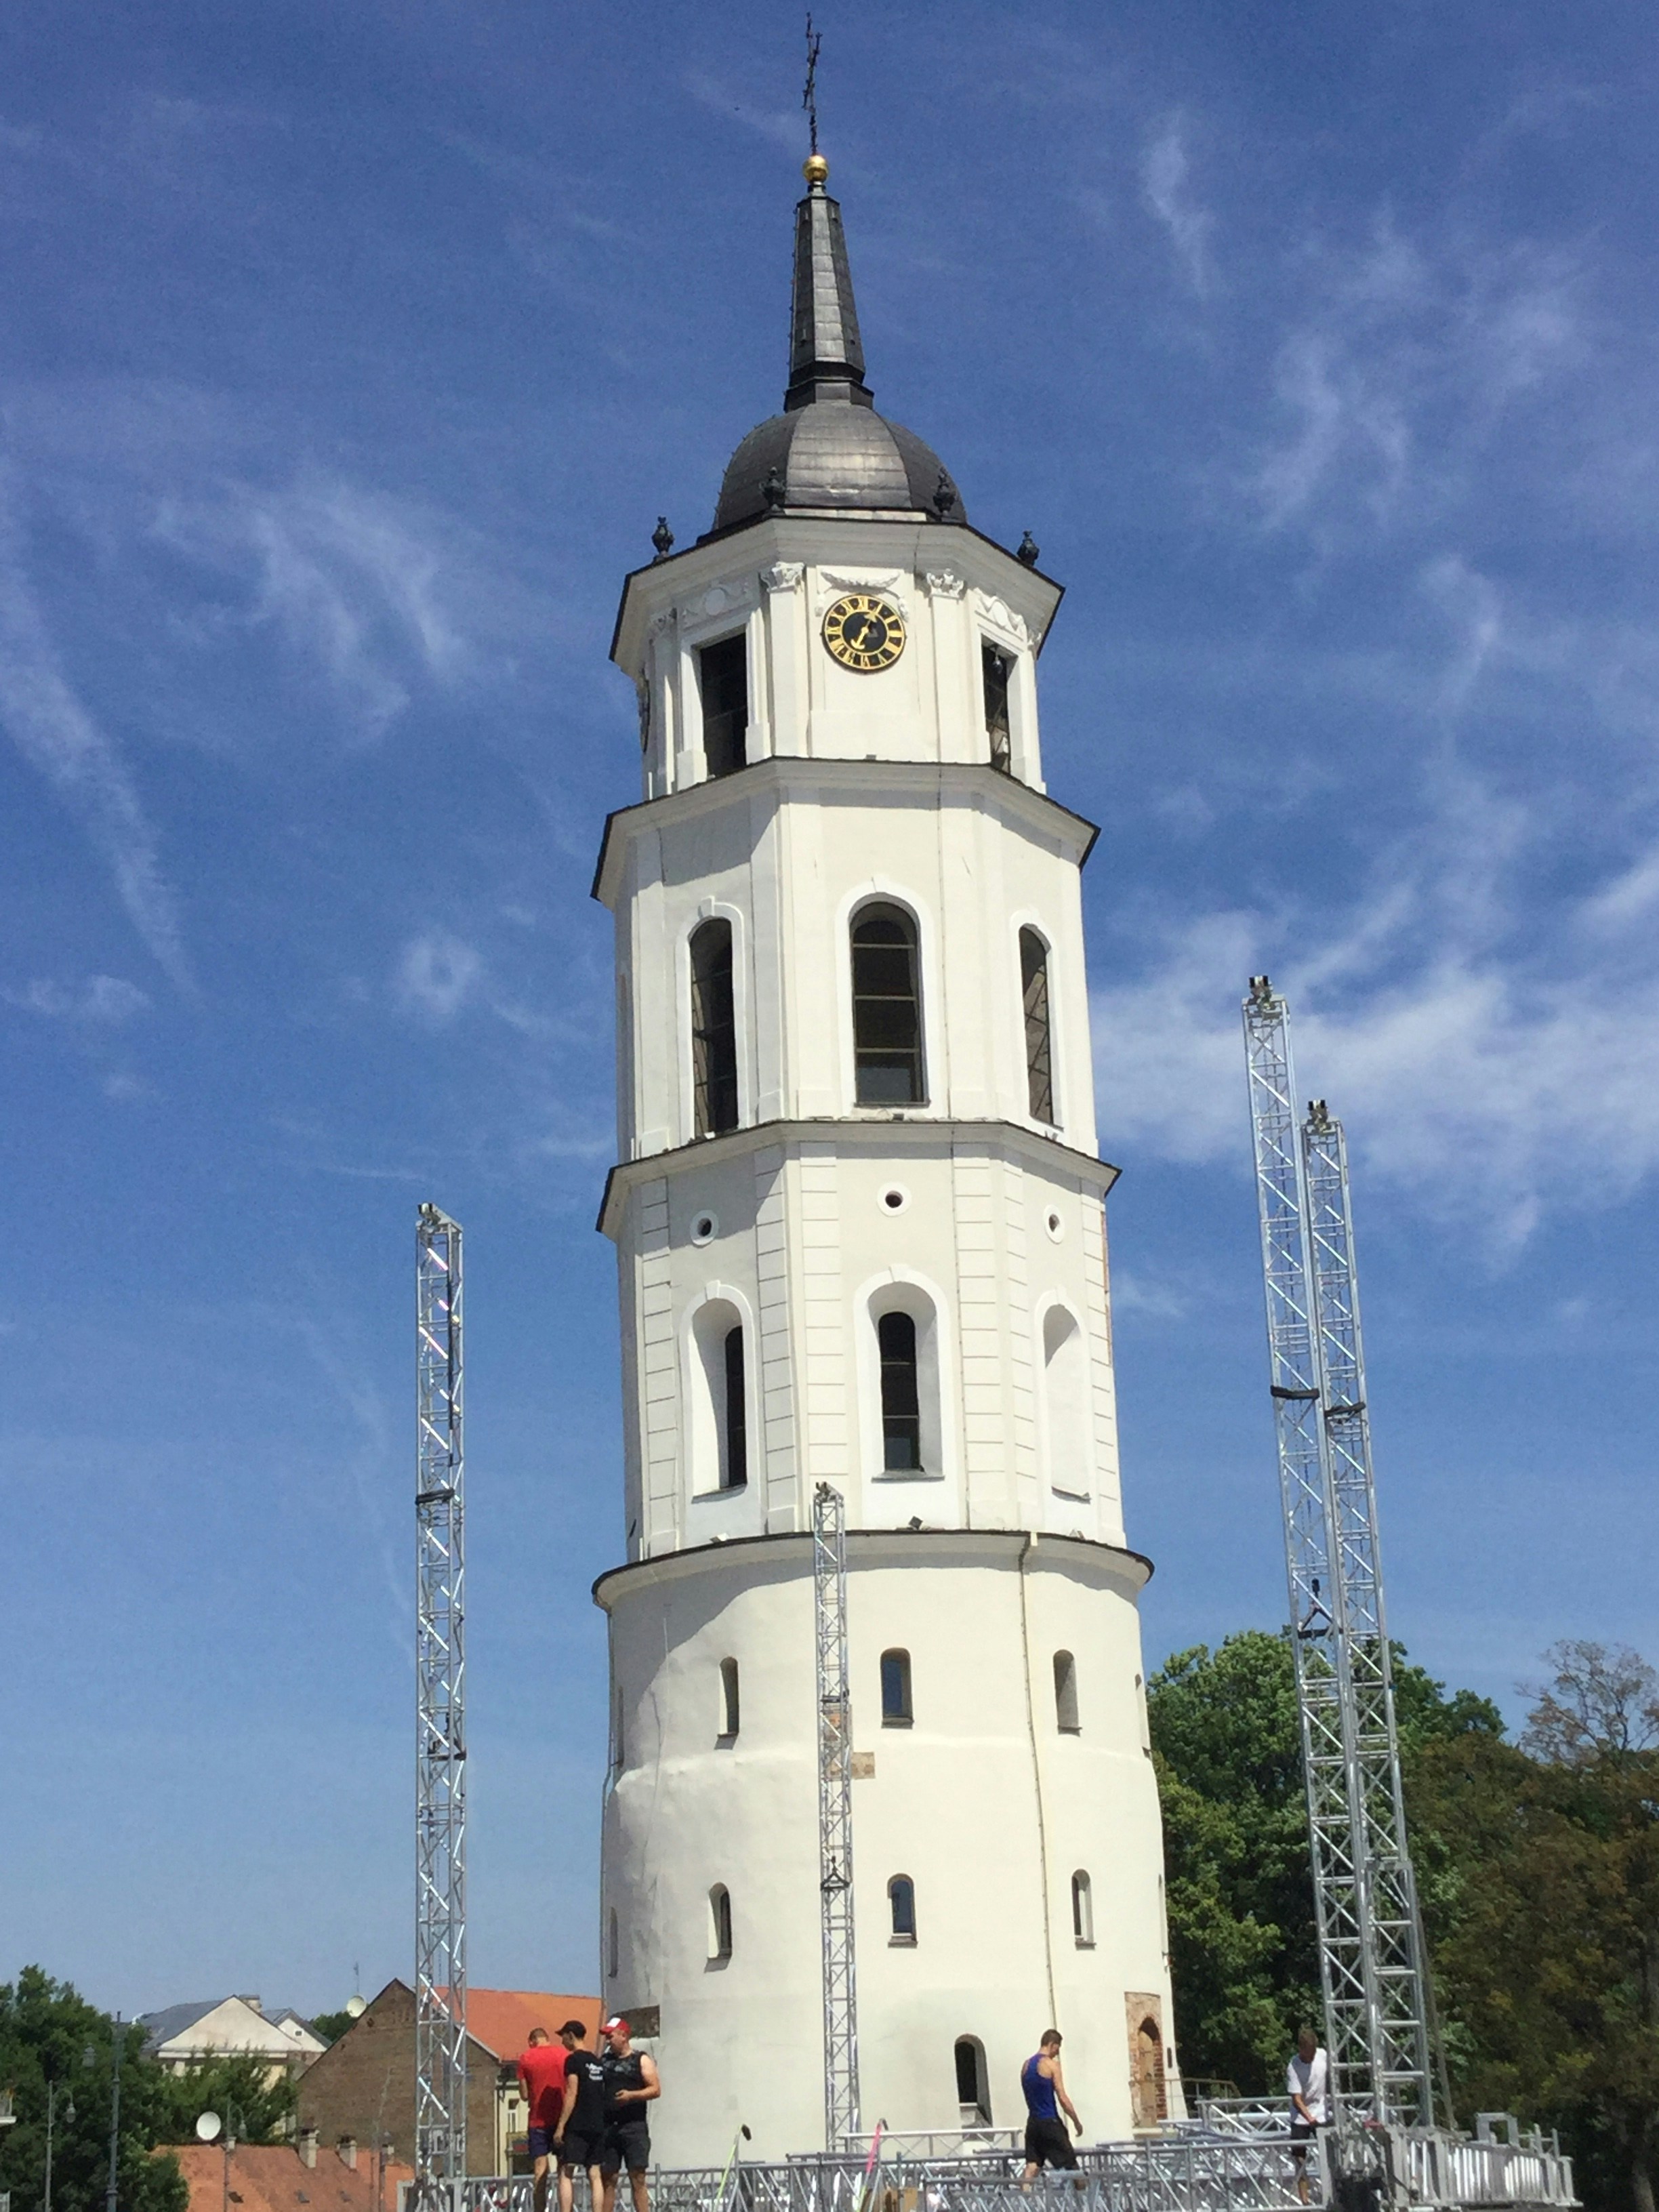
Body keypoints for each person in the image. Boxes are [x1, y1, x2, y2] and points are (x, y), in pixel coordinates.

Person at [600, 2017, 660, 2212]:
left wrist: (631, 2096)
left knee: (638, 2177)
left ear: (624, 2036)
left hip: (634, 2126)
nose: (608, 2041)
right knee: (608, 2178)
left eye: (611, 2036)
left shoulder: (640, 2059)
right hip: (609, 2125)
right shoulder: (604, 2061)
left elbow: (655, 2089)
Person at [554, 2020, 611, 2212]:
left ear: (570, 2035)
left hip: (578, 2123)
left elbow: (572, 2092)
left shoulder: (573, 2061)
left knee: (566, 2171)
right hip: (598, 2122)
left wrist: (561, 2125)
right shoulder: (597, 2061)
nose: (562, 2041)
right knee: (594, 2173)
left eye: (563, 2036)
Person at [517, 2026, 572, 2212]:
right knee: (564, 2171)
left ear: (532, 2041)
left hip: (537, 2121)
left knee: (540, 2169)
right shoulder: (564, 2054)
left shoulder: (526, 2058)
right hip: (562, 2120)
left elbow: (524, 2095)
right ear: (547, 2039)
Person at [1020, 2030, 1082, 2186]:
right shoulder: (1051, 2065)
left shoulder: (1026, 2066)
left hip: (1033, 2123)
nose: (1057, 2053)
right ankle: (1087, 2203)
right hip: (1049, 2122)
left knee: (1032, 2166)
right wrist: (1076, 2121)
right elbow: (1062, 2097)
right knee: (1074, 2169)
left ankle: (1022, 2204)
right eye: (1057, 2049)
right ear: (1052, 2045)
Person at [1286, 2026, 1329, 2205]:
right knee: (1300, 2159)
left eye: (1312, 2053)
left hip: (1322, 2113)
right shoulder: (1294, 2066)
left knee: (1330, 2154)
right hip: (1301, 2117)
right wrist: (1310, 2118)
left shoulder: (1323, 2056)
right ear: (1300, 2050)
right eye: (1307, 2054)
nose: (1310, 2057)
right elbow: (1297, 2098)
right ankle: (1305, 2200)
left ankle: (1331, 2193)